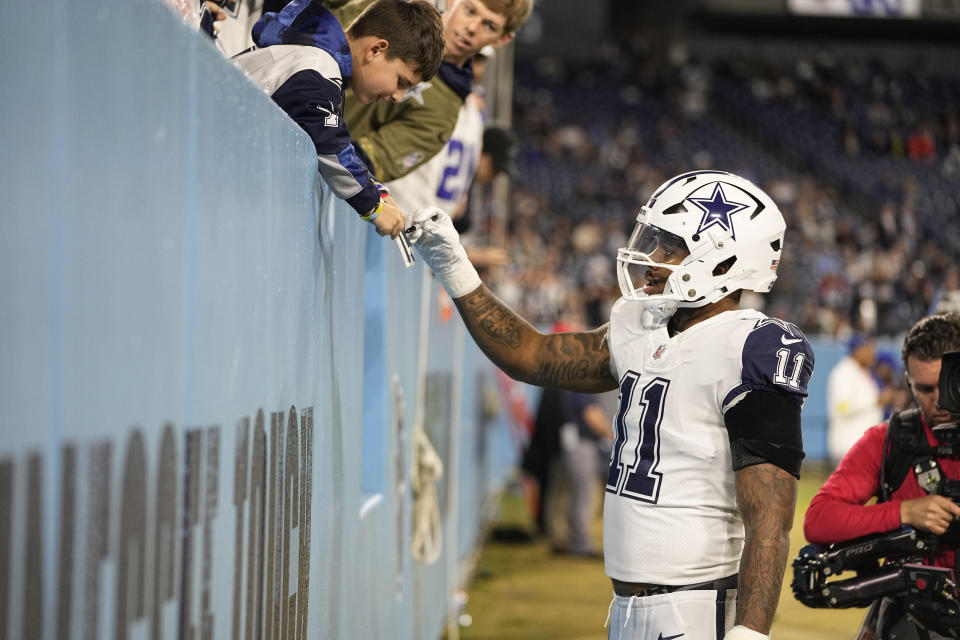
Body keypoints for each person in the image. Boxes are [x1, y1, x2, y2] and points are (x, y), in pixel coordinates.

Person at [406, 170, 815, 640]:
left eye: (670, 246)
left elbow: (771, 516)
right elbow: (534, 356)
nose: (653, 258)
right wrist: (453, 263)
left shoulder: (754, 346)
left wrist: (751, 632)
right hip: (626, 606)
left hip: (701, 608)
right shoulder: (640, 325)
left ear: (724, 262)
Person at [804, 313, 960, 639]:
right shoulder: (889, 441)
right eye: (924, 389)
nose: (939, 401)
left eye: (948, 385)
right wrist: (905, 512)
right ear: (908, 381)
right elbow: (819, 520)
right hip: (907, 617)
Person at [232, 0, 444, 238]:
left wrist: (380, 192)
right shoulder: (316, 68)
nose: (398, 96)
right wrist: (374, 205)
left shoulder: (320, 63)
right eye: (401, 82)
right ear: (376, 50)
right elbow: (330, 144)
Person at [334, 0, 532, 183]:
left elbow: (363, 164)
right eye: (470, 11)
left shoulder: (442, 112)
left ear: (502, 39)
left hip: (313, 151)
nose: (472, 28)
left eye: (489, 26)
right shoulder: (394, 8)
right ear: (454, 1)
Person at [826, 333, 893, 466]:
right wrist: (876, 400)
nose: (873, 353)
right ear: (858, 350)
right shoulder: (844, 373)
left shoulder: (862, 372)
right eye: (869, 349)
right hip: (848, 445)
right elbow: (842, 408)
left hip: (861, 445)